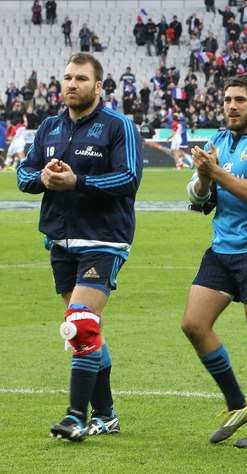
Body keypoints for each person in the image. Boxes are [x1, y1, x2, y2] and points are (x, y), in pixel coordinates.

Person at [17, 52, 143, 441]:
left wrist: (78, 182)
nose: (71, 84)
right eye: (68, 77)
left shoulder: (118, 126)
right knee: (83, 331)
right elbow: (23, 175)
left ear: (98, 86)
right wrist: (43, 177)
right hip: (61, 240)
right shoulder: (49, 127)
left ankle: (75, 416)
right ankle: (105, 416)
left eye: (81, 79)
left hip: (105, 239)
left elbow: (128, 178)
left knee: (81, 323)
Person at [181, 74, 247, 448]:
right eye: (227, 99)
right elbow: (197, 202)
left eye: (240, 100)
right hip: (221, 249)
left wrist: (216, 172)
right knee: (194, 325)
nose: (231, 106)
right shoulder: (218, 142)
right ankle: (237, 403)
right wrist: (202, 178)